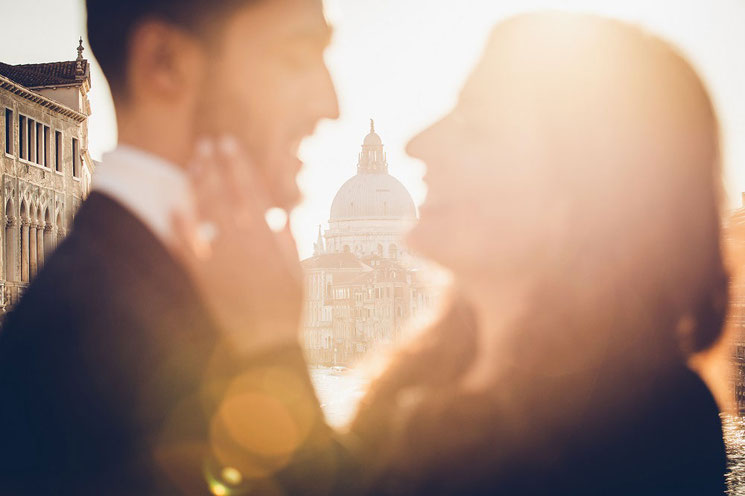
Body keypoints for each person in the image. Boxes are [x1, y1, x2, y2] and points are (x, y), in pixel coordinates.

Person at [174, 12, 730, 496]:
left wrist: (273, 346)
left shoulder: (650, 427)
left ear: (591, 191)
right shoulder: (417, 391)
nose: (420, 143)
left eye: (477, 127)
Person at [0, 0, 337, 494]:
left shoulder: (105, 292)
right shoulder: (79, 344)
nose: (330, 103)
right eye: (294, 57)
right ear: (165, 62)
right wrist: (276, 353)